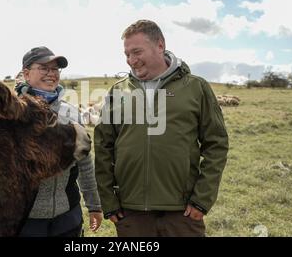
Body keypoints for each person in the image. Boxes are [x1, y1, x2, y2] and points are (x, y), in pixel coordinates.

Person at [94, 20, 229, 237]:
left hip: (182, 213)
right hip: (131, 213)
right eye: (127, 54)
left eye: (137, 52)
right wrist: (109, 201)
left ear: (160, 45)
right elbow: (102, 148)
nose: (131, 60)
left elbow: (217, 145)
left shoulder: (196, 87)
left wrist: (202, 199)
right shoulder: (118, 92)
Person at [15, 46, 102, 237]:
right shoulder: (12, 114)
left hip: (67, 216)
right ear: (27, 74)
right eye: (44, 68)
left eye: (55, 69)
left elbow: (85, 164)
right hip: (25, 220)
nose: (51, 74)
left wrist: (94, 204)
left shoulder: (70, 113)